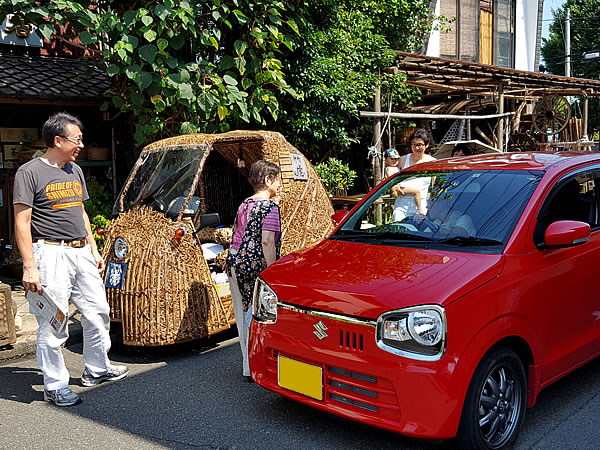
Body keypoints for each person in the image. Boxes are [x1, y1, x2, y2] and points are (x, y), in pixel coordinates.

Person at [13, 112, 128, 407]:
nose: (81, 144)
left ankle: (97, 368)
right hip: (50, 253)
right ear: (57, 140)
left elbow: (81, 213)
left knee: (98, 310)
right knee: (54, 320)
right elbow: (22, 222)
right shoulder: (29, 173)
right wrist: (29, 266)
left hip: (81, 251)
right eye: (76, 139)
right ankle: (54, 384)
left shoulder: (73, 170)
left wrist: (93, 248)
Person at [226, 160, 281, 382]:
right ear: (268, 181)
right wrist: (273, 272)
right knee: (259, 317)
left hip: (234, 264)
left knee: (242, 316)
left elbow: (237, 236)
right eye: (278, 181)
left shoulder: (244, 205)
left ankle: (247, 367)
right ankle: (260, 365)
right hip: (256, 268)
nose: (279, 186)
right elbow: (267, 242)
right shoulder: (270, 208)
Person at [392, 129, 436, 221]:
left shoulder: (432, 162)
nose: (416, 148)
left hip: (421, 207)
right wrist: (394, 186)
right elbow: (390, 176)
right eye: (414, 144)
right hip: (401, 206)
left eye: (420, 145)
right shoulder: (402, 160)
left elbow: (435, 187)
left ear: (426, 145)